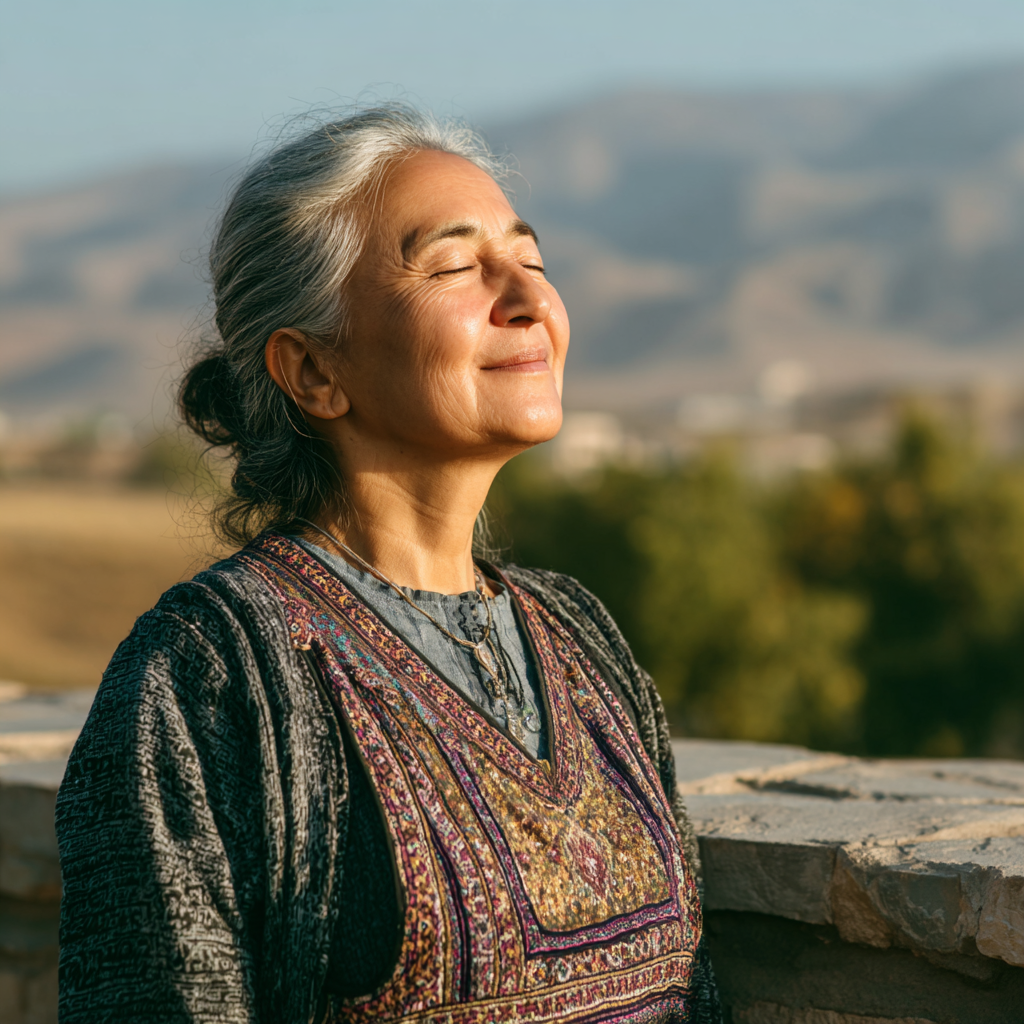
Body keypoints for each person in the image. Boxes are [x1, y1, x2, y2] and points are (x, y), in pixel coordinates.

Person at [56, 105, 722, 1024]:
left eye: (530, 260)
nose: (528, 299)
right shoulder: (210, 670)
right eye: (454, 265)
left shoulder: (577, 635)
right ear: (313, 372)